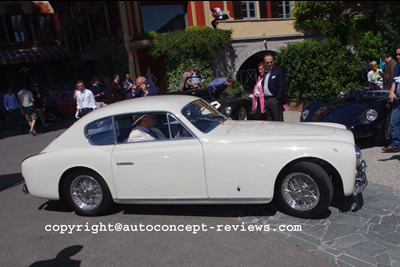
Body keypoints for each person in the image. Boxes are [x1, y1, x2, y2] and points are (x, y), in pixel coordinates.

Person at [383, 46, 400, 152]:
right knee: (394, 122)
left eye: (399, 54)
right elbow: (394, 81)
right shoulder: (397, 66)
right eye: (397, 54)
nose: (397, 56)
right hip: (398, 100)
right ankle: (396, 144)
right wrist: (392, 92)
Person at [262, 52, 286, 121]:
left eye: (271, 62)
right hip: (267, 100)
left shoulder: (278, 71)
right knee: (269, 121)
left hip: (275, 99)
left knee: (277, 121)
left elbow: (282, 86)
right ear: (265, 63)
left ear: (273, 61)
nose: (269, 64)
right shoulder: (266, 73)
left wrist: (278, 99)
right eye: (267, 62)